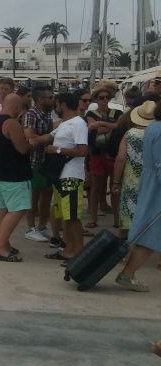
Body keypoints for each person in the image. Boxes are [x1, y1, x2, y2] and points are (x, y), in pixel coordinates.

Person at [37, 92, 91, 261]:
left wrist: (58, 150)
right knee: (66, 215)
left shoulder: (78, 124)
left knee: (73, 216)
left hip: (71, 176)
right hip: (61, 176)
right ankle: (69, 249)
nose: (55, 106)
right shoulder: (65, 123)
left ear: (64, 104)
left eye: (57, 103)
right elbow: (47, 137)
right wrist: (29, 138)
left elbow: (83, 150)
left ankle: (79, 252)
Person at [115, 99, 161, 292]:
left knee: (148, 231)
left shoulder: (153, 127)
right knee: (150, 233)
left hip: (149, 182)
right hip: (157, 187)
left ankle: (128, 272)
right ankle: (128, 273)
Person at [0, 94, 32, 262]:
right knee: (18, 209)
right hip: (13, 175)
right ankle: (0, 246)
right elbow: (22, 148)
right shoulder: (11, 123)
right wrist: (32, 142)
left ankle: (4, 243)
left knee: (2, 209)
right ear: (17, 107)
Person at [114, 100, 154, 240]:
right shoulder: (156, 134)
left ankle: (127, 248)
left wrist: (116, 181)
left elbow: (120, 159)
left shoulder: (130, 134)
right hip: (152, 181)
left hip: (131, 181)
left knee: (129, 213)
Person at [85, 84, 120, 228]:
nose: (105, 100)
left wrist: (101, 124)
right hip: (97, 154)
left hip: (113, 154)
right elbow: (92, 128)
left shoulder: (117, 112)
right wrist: (110, 127)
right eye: (101, 97)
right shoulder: (90, 115)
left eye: (107, 97)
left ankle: (117, 221)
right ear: (96, 99)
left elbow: (120, 126)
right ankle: (93, 219)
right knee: (96, 188)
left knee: (115, 187)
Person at [23, 85, 55, 242]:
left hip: (46, 159)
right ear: (40, 99)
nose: (52, 100)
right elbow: (29, 135)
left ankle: (42, 225)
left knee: (47, 194)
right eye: (49, 97)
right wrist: (47, 138)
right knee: (34, 195)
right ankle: (30, 228)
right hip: (34, 160)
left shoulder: (48, 114)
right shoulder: (32, 114)